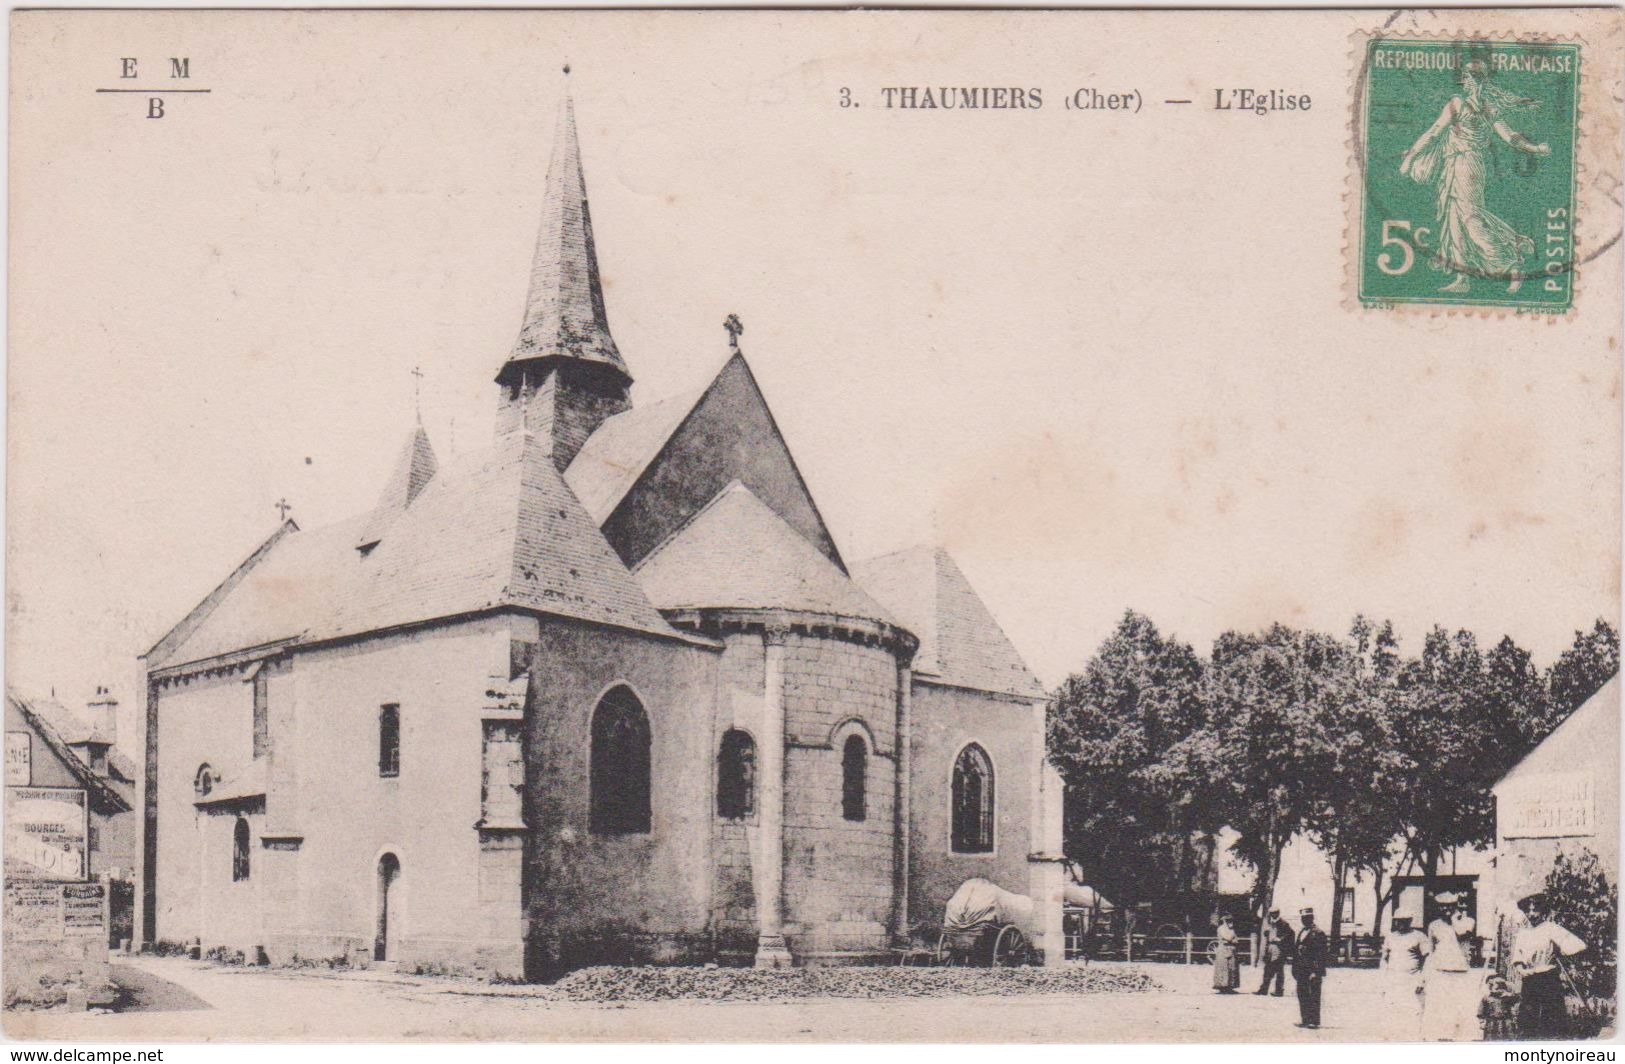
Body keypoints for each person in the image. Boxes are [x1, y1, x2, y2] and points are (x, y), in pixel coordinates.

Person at [1399, 59, 1551, 295]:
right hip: (1462, 166)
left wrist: (1410, 159)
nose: (1467, 83)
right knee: (1456, 221)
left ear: (1470, 81)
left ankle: (1512, 261)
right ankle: (1463, 278)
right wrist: (1536, 148)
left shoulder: (1459, 104)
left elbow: (1433, 133)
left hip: (1465, 166)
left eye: (1468, 79)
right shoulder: (1487, 108)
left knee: (1470, 220)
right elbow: (1510, 137)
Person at [1511, 891, 1587, 1040]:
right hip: (1530, 978)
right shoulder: (1523, 933)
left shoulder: (1551, 928)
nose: (1532, 914)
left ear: (1542, 910)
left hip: (1548, 977)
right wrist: (1522, 970)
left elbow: (1577, 945)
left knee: (1552, 1018)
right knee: (1528, 1018)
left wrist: (1561, 951)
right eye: (1528, 910)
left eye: (1535, 909)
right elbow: (1517, 957)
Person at [1422, 892, 1478, 1041]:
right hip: (1440, 972)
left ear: (1456, 906)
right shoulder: (1434, 925)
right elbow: (1431, 952)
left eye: (1450, 906)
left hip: (1461, 973)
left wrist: (1454, 918)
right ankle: (1442, 1038)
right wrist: (1425, 977)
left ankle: (1460, 1039)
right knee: (1441, 1008)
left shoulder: (1468, 921)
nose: (1446, 909)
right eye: (1442, 906)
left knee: (1461, 1008)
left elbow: (1461, 933)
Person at [1382, 915, 1430, 1038]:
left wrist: (1422, 980)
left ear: (1410, 921)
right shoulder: (1391, 937)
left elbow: (1427, 960)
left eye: (1404, 920)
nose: (1401, 923)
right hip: (1393, 979)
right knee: (1393, 1010)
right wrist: (1383, 981)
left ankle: (1415, 1038)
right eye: (1398, 920)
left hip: (1412, 979)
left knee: (1414, 1010)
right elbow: (1384, 959)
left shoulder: (1419, 936)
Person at [1291, 906, 1328, 1029]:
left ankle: (1314, 1020)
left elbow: (1321, 954)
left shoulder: (1318, 933)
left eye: (1307, 918)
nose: (1304, 920)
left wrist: (1316, 971)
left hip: (1312, 969)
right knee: (1302, 993)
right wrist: (1295, 968)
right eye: (1302, 918)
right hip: (1301, 968)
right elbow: (1297, 950)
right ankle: (1305, 1019)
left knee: (1314, 995)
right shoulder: (1301, 932)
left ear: (1312, 918)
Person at [1255, 908, 1293, 996]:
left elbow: (1290, 934)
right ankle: (1263, 989)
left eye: (1275, 913)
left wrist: (1280, 939)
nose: (1273, 915)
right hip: (1270, 948)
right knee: (1267, 969)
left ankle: (1279, 990)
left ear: (1278, 913)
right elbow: (1268, 934)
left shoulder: (1284, 923)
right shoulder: (1270, 923)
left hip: (1279, 948)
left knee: (1279, 970)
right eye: (1271, 913)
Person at [1478, 973, 1519, 1041]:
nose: (1499, 990)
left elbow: (1517, 1000)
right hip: (1491, 1023)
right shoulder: (1486, 998)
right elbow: (1481, 1011)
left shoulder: (1508, 998)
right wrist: (1482, 1022)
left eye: (1501, 987)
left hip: (1506, 1023)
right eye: (1496, 987)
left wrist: (1511, 994)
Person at [1212, 914, 1240, 993]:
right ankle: (1222, 986)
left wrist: (1234, 939)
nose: (1230, 922)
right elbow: (1228, 937)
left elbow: (1236, 939)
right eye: (1228, 920)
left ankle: (1230, 986)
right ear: (1224, 921)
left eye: (1230, 920)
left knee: (1232, 968)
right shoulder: (1221, 928)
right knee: (1224, 968)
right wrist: (1232, 934)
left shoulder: (1231, 929)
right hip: (1223, 950)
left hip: (1231, 949)